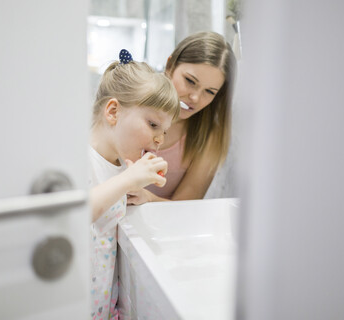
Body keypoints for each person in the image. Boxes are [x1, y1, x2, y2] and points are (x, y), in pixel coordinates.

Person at [89, 49, 179, 319]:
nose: (159, 140)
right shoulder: (80, 158)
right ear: (113, 111)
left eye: (164, 131)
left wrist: (140, 193)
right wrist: (126, 180)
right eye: (153, 124)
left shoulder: (119, 166)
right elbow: (75, 214)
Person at [127, 31, 237, 205]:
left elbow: (186, 205)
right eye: (190, 81)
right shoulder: (130, 102)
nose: (195, 98)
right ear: (170, 65)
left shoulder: (208, 136)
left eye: (209, 92)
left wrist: (148, 198)